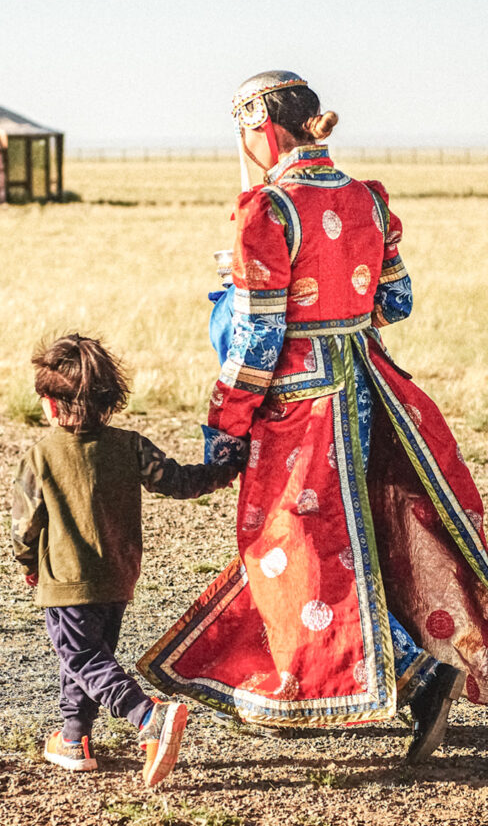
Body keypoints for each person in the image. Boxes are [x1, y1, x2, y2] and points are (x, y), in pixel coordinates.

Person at [139, 70, 488, 763]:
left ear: (261, 131)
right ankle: (416, 671)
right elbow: (395, 304)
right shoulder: (367, 200)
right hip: (368, 390)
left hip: (300, 410)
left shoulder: (267, 213)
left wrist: (223, 424)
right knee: (351, 541)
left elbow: (257, 340)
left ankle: (417, 675)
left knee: (300, 552)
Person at [11, 333, 246, 785]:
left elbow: (24, 527)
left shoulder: (40, 456)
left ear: (51, 405)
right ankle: (74, 737)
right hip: (118, 577)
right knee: (91, 657)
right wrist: (225, 469)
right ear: (108, 400)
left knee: (80, 657)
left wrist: (28, 564)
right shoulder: (130, 445)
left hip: (66, 580)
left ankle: (147, 718)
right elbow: (178, 481)